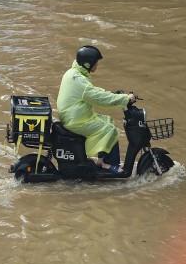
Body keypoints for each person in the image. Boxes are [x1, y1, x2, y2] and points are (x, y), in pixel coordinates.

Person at [56, 45, 136, 174]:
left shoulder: (74, 73)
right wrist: (125, 99)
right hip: (76, 120)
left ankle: (101, 160)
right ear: (88, 64)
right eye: (96, 62)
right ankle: (109, 164)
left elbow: (92, 91)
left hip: (75, 115)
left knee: (108, 121)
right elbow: (97, 98)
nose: (97, 65)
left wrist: (112, 94)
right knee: (110, 130)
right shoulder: (79, 80)